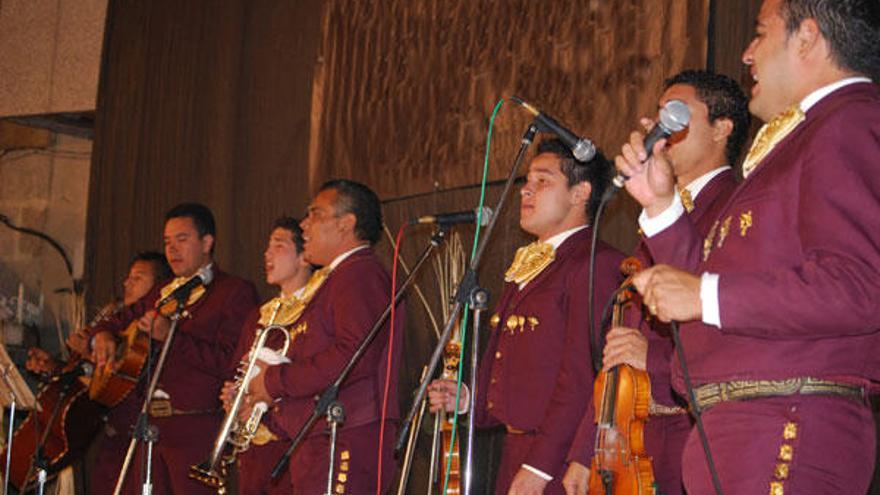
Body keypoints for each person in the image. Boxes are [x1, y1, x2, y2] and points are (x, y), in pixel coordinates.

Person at [617, 1, 880, 493]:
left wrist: (705, 294)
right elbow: (701, 293)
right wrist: (661, 206)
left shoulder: (848, 121)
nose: (747, 53)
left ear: (807, 37)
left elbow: (860, 286)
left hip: (786, 422)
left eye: (761, 33)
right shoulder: (794, 143)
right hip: (737, 428)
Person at [562, 69, 750, 495]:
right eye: (660, 115)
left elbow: (736, 327)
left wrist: (657, 359)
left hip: (690, 433)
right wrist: (584, 449)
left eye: (678, 116)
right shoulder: (658, 213)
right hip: (626, 441)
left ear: (722, 128)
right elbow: (618, 351)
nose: (661, 129)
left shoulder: (737, 207)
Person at [428, 138, 624, 494]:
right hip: (517, 451)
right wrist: (470, 398)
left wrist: (541, 465)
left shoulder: (594, 262)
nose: (526, 191)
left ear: (581, 192)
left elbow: (584, 375)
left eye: (543, 181)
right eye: (526, 181)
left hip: (560, 461)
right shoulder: (533, 263)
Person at [245, 180, 404, 495]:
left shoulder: (359, 274)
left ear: (346, 224)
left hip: (345, 434)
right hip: (323, 434)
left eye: (315, 214)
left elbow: (353, 355)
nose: (304, 224)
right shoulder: (338, 278)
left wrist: (274, 380)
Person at [88, 202, 258, 494]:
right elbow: (120, 318)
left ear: (207, 242)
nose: (172, 250)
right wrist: (102, 334)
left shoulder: (233, 291)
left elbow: (229, 362)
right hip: (148, 428)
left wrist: (171, 337)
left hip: (195, 430)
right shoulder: (164, 291)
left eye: (182, 239)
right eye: (167, 242)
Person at [215, 216, 313, 494]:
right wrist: (234, 396)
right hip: (254, 446)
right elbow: (238, 369)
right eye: (267, 247)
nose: (267, 254)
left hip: (290, 443)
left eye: (278, 246)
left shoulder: (316, 309)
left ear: (305, 256)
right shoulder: (260, 315)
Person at [26, 251, 172, 374]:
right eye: (128, 277)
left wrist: (89, 354)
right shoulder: (115, 319)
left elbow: (120, 385)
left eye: (137, 278)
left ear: (159, 286)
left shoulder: (158, 327)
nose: (126, 283)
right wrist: (53, 366)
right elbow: (82, 385)